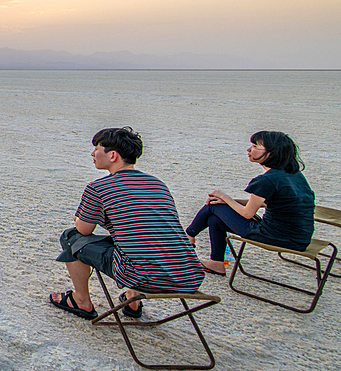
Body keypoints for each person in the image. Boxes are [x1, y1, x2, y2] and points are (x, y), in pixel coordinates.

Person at [50, 127, 203, 320]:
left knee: (71, 237)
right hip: (188, 275)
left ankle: (81, 300)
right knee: (140, 240)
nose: (92, 153)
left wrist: (79, 218)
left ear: (113, 155)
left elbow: (83, 229)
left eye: (97, 148)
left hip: (144, 277)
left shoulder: (99, 187)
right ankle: (132, 300)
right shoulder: (158, 184)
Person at [185, 131, 315, 276]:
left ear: (272, 153)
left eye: (255, 146)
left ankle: (188, 237)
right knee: (215, 219)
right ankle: (216, 263)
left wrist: (225, 197)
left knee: (214, 205)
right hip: (299, 238)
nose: (248, 149)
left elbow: (247, 213)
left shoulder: (268, 180)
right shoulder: (292, 175)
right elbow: (267, 204)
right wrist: (227, 201)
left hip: (275, 236)